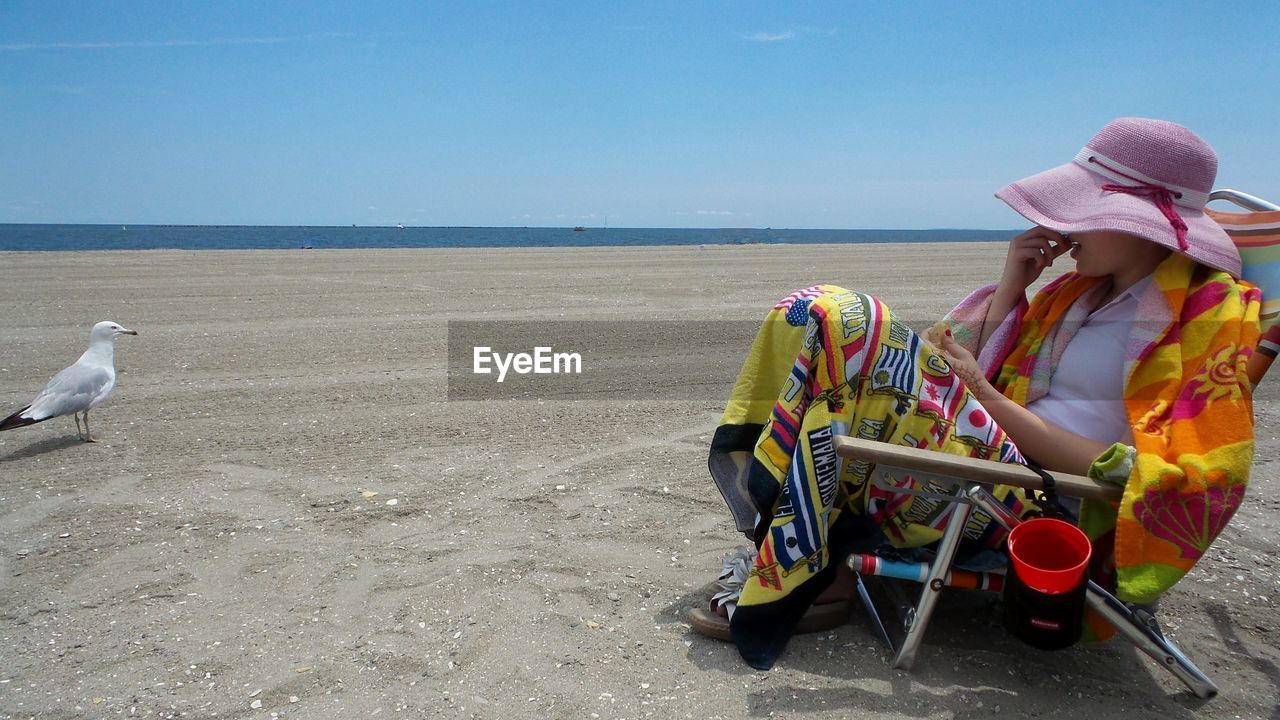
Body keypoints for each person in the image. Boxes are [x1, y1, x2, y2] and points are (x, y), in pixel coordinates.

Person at [694, 118, 1262, 670]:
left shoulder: (1207, 316)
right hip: (986, 463)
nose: (1062, 225)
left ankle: (802, 560)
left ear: (1140, 223)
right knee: (818, 319)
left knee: (842, 316)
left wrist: (991, 403)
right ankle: (806, 555)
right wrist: (1014, 285)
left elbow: (1181, 477)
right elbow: (968, 371)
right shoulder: (1077, 295)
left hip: (1039, 502)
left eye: (1083, 210)